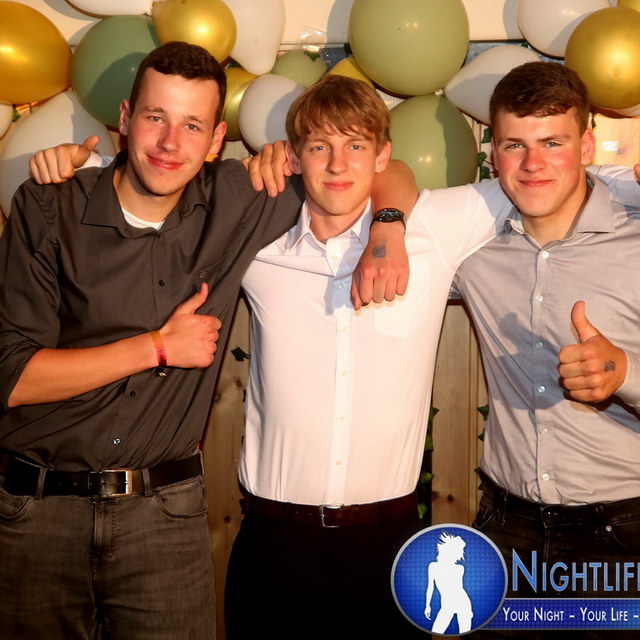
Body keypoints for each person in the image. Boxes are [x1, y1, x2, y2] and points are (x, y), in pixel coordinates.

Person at [30, 72, 640, 639]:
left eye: (355, 147)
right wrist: (83, 164)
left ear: (381, 157)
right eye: (319, 147)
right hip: (273, 540)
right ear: (293, 159)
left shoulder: (436, 227)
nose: (339, 165)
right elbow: (169, 181)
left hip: (390, 541)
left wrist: (390, 223)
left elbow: (548, 179)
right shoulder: (258, 240)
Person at [453, 62, 640, 638]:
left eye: (553, 142)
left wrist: (625, 374)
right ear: (494, 154)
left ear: (586, 146)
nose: (533, 163)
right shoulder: (468, 250)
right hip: (506, 529)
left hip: (621, 536)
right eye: (515, 145)